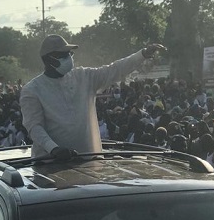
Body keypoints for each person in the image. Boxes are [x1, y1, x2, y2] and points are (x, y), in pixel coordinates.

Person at [20, 34, 166, 159]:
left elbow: (114, 70)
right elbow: (34, 127)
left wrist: (142, 55)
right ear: (49, 59)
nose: (69, 58)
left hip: (88, 161)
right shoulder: (32, 90)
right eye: (63, 55)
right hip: (49, 165)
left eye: (70, 54)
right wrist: (54, 149)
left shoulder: (84, 76)